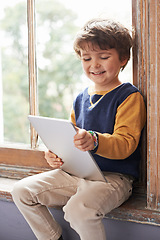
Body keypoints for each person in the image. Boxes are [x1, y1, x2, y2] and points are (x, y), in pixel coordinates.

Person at [11, 18, 146, 240]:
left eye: (103, 57)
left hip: (113, 178)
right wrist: (54, 154)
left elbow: (125, 145)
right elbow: (69, 139)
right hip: (78, 172)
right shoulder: (81, 97)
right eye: (86, 58)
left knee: (78, 212)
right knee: (22, 191)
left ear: (123, 58)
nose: (94, 64)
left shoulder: (129, 97)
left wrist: (94, 140)